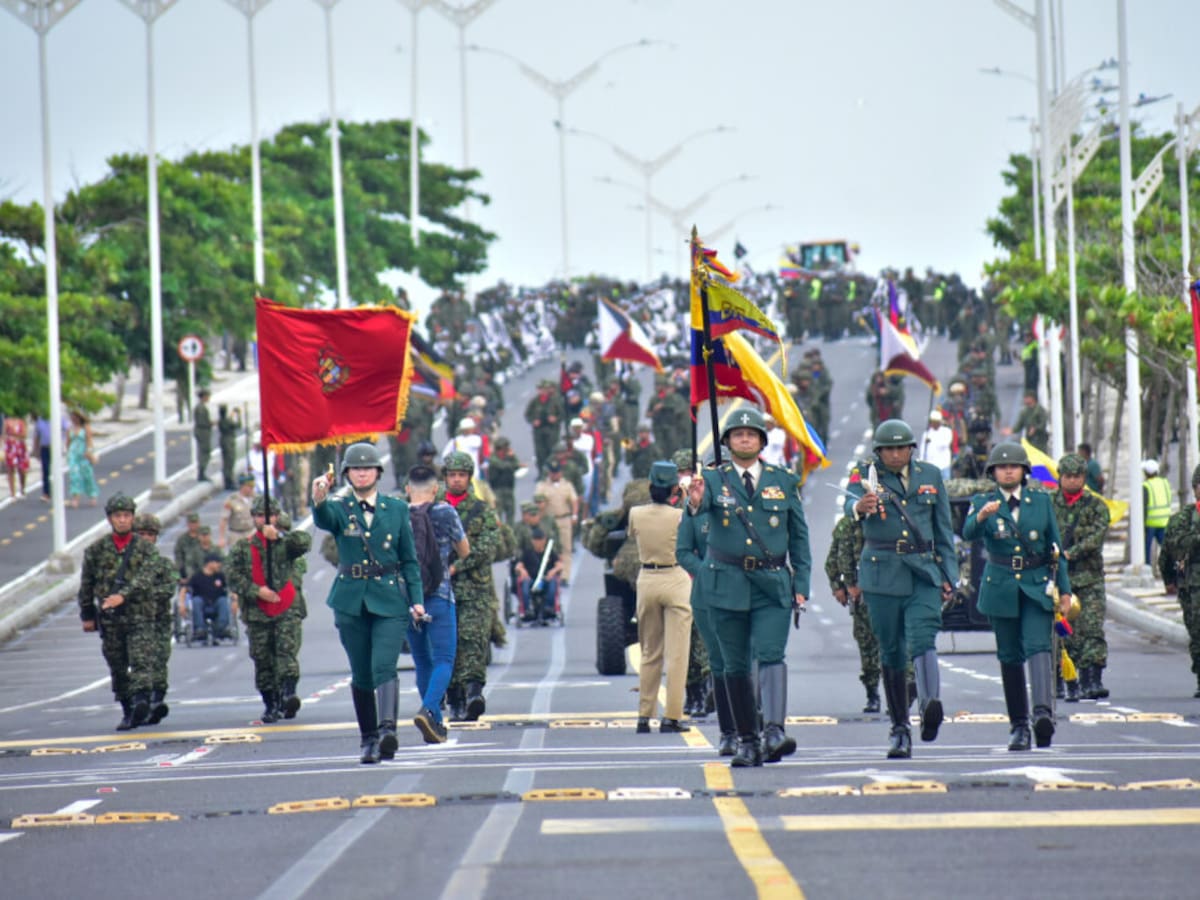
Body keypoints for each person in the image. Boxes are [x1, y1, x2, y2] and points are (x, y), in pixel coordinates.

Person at [686, 406, 811, 767]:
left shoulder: (783, 480)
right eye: (738, 434)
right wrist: (694, 500)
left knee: (772, 654)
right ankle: (746, 740)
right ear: (726, 442)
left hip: (771, 584)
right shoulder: (711, 480)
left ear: (761, 442)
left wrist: (800, 582)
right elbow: (699, 507)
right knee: (736, 665)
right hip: (726, 583)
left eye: (751, 434)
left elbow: (798, 536)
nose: (745, 439)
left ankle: (774, 730)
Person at [845, 419, 958, 759]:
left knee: (924, 636)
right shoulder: (864, 475)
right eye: (889, 449)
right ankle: (899, 728)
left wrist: (949, 575)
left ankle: (929, 705)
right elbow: (851, 503)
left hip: (923, 571)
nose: (896, 454)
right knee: (892, 650)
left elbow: (943, 530)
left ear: (912, 448)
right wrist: (860, 506)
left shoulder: (930, 475)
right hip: (881, 574)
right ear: (878, 452)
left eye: (902, 447)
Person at [311, 442, 422, 763]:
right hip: (351, 600)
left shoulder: (397, 508)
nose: (362, 473)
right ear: (346, 474)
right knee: (361, 673)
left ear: (378, 472)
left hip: (388, 598)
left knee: (384, 665)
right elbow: (323, 519)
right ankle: (368, 739)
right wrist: (318, 497)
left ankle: (388, 730)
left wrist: (416, 601)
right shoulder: (340, 507)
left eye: (368, 468)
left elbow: (409, 560)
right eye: (356, 469)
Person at [963, 442, 1073, 751]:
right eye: (1001, 466)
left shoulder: (1040, 501)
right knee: (1009, 655)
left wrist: (1064, 589)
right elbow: (968, 531)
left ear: (1024, 471)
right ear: (993, 472)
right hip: (1001, 586)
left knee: (1039, 646)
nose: (1008, 470)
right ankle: (1019, 726)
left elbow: (1056, 548)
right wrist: (982, 516)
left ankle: (1042, 716)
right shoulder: (984, 500)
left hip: (1036, 585)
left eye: (1014, 466)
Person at [77, 493, 161, 730]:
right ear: (110, 519)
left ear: (133, 518)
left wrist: (123, 596)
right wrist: (87, 615)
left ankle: (142, 701)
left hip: (140, 615)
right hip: (111, 620)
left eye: (126, 516)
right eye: (118, 516)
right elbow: (87, 584)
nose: (122, 520)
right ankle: (128, 709)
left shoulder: (146, 549)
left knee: (141, 661)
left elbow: (146, 577)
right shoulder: (96, 551)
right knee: (117, 665)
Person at [227, 496, 312, 728]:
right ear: (254, 519)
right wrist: (256, 591)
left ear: (277, 517)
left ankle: (288, 695)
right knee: (263, 658)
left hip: (286, 609)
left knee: (286, 652)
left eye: (269, 516)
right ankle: (271, 703)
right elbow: (232, 576)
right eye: (260, 516)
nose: (265, 520)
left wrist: (280, 536)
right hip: (257, 612)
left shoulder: (286, 543)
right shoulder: (244, 547)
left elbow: (304, 542)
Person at [677, 452, 736, 756]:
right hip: (709, 592)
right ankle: (729, 731)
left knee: (750, 660)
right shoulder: (695, 508)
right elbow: (683, 550)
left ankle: (759, 720)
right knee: (720, 662)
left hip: (744, 590)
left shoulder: (744, 500)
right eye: (713, 469)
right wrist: (708, 572)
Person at [405, 464, 468, 745]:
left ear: (408, 489)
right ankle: (429, 710)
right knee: (444, 659)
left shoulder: (397, 514)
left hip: (407, 599)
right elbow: (464, 550)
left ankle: (435, 723)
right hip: (439, 595)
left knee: (421, 660)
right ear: (435, 489)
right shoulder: (445, 512)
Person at [629, 461, 694, 733]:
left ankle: (644, 716)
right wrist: (687, 497)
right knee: (677, 655)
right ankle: (672, 716)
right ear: (673, 490)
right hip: (675, 577)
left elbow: (632, 535)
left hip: (647, 579)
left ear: (650, 486)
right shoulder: (680, 515)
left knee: (649, 651)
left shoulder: (636, 513)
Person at [442, 451, 501, 722]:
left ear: (469, 478)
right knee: (448, 644)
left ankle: (474, 692)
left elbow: (487, 547)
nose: (456, 480)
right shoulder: (435, 509)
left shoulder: (482, 510)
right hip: (441, 589)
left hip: (475, 588)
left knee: (474, 641)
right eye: (452, 475)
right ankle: (454, 699)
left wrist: (458, 566)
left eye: (461, 475)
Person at [1052, 453, 1111, 702]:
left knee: (1092, 628)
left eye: (1078, 476)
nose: (1073, 481)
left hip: (1089, 578)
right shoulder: (1048, 505)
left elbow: (1096, 538)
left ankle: (1092, 679)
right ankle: (1062, 680)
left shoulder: (1096, 506)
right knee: (1060, 631)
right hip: (1057, 580)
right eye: (1069, 476)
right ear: (1060, 478)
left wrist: (1069, 553)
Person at [824, 514, 881, 713]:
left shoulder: (887, 520)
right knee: (867, 646)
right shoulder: (847, 525)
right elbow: (833, 559)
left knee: (895, 646)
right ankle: (872, 692)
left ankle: (901, 694)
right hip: (860, 594)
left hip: (888, 590)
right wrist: (839, 585)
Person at [132, 513, 179, 725]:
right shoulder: (126, 566)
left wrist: (140, 593)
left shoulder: (163, 565)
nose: (145, 538)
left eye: (150, 534)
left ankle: (156, 701)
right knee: (137, 664)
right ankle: (139, 703)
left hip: (158, 621)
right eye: (141, 534)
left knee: (159, 661)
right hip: (132, 623)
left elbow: (168, 588)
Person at [1159, 464, 1200, 698]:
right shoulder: (1183, 519)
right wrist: (1168, 580)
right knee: (1197, 634)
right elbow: (1172, 548)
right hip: (1193, 589)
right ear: (1195, 489)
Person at [533, 459, 579, 587]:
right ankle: (547, 573)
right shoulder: (542, 486)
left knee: (565, 548)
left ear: (561, 473)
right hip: (548, 520)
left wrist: (574, 515)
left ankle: (565, 575)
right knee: (547, 548)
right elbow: (537, 501)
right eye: (552, 473)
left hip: (564, 519)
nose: (554, 475)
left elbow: (574, 501)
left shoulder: (567, 485)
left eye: (557, 472)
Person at [515, 527, 563, 624]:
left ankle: (549, 608)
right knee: (524, 583)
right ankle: (527, 609)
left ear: (544, 540)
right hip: (532, 580)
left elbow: (560, 565)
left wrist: (553, 571)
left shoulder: (550, 553)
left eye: (540, 540)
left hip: (545, 580)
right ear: (532, 541)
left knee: (553, 582)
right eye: (536, 540)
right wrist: (522, 570)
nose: (538, 542)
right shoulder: (527, 553)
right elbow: (518, 566)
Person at [187, 552, 233, 643]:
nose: (219, 565)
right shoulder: (197, 576)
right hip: (202, 603)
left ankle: (222, 627)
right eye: (217, 563)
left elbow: (230, 588)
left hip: (216, 603)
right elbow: (185, 589)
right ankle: (200, 629)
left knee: (223, 600)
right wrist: (182, 604)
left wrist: (234, 600)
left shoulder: (220, 576)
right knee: (196, 601)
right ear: (210, 563)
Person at [1142, 459, 1172, 567]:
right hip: (1164, 521)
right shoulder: (1165, 483)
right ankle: (1173, 570)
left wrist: (1142, 524)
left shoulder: (1146, 486)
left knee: (1146, 550)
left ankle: (1147, 568)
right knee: (1167, 550)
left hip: (1150, 523)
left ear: (1146, 473)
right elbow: (1169, 499)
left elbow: (1144, 507)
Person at [66, 410, 99, 508]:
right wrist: (68, 453)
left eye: (75, 417)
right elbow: (68, 442)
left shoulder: (86, 428)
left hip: (84, 454)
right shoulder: (70, 429)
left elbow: (89, 441)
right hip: (73, 455)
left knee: (87, 475)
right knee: (74, 476)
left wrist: (89, 452)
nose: (73, 419)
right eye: (72, 417)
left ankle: (92, 495)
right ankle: (75, 498)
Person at [219, 473, 257, 550]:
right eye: (249, 486)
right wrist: (222, 537)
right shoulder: (232, 500)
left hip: (251, 532)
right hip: (236, 535)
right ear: (243, 486)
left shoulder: (255, 498)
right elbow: (224, 519)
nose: (252, 488)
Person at [919, 409, 954, 478]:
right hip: (930, 464)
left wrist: (932, 440)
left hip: (943, 464)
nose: (932, 423)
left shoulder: (946, 431)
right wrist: (921, 460)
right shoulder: (926, 434)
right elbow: (922, 448)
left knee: (945, 484)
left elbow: (945, 444)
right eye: (931, 422)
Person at [4, 412, 29, 498]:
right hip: (10, 447)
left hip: (20, 446)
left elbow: (24, 434)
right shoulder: (7, 422)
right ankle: (12, 493)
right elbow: (4, 434)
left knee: (22, 469)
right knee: (10, 469)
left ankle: (22, 487)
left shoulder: (21, 422)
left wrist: (13, 434)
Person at [218, 404, 240, 489]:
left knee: (226, 462)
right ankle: (229, 481)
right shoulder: (227, 421)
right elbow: (238, 425)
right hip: (229, 442)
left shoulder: (221, 420)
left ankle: (227, 481)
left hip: (224, 440)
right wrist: (238, 415)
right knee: (230, 462)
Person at [194, 388, 214, 482]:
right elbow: (202, 422)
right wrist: (211, 423)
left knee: (204, 452)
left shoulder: (201, 407)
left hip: (203, 431)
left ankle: (202, 473)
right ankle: (201, 473)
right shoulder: (200, 408)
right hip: (203, 432)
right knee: (205, 452)